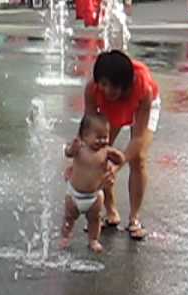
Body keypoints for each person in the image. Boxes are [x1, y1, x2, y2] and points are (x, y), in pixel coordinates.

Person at [84, 50, 161, 240]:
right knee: (101, 155)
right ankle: (110, 211)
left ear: (125, 86)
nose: (109, 91)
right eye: (104, 85)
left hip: (143, 105)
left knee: (139, 158)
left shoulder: (144, 89)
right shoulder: (94, 90)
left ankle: (134, 218)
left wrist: (119, 165)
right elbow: (91, 130)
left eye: (114, 87)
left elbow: (138, 138)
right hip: (114, 109)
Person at [61, 114, 125, 253]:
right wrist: (72, 148)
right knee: (69, 218)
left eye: (105, 137)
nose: (103, 141)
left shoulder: (106, 151)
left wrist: (117, 155)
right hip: (74, 194)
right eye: (98, 137)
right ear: (84, 136)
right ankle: (65, 237)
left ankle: (93, 240)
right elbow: (67, 153)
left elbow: (121, 160)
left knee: (95, 220)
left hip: (94, 196)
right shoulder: (80, 148)